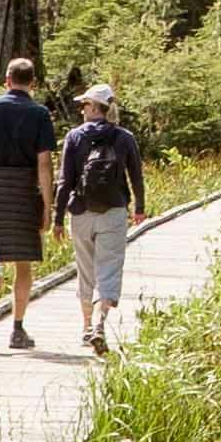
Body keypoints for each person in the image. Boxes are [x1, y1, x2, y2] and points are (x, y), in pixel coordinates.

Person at [0, 57, 62, 349]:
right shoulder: (39, 113)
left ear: (7, 81)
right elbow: (44, 164)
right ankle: (17, 329)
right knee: (23, 263)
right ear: (33, 83)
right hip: (23, 191)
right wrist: (48, 205)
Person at [56, 82, 149, 357]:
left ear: (95, 107)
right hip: (114, 211)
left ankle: (87, 327)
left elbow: (65, 181)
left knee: (85, 271)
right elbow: (136, 175)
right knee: (108, 271)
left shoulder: (74, 137)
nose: (82, 109)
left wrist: (58, 218)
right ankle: (99, 322)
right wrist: (140, 207)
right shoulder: (125, 137)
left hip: (81, 213)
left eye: (85, 104)